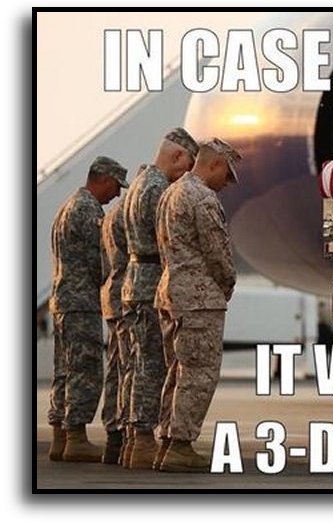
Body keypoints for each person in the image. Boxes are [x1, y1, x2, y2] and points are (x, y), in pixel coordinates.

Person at [155, 138, 241, 473]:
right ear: (215, 164)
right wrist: (227, 284)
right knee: (198, 373)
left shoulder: (171, 193)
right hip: (198, 299)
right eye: (227, 175)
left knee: (176, 371)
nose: (226, 184)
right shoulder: (202, 197)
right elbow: (217, 253)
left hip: (171, 293)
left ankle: (167, 441)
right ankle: (180, 445)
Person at [122, 128, 198, 469]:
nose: (186, 173)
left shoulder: (141, 183)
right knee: (152, 365)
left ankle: (132, 441)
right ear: (177, 155)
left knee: (139, 363)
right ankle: (142, 440)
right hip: (150, 280)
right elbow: (167, 238)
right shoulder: (156, 189)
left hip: (136, 280)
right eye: (188, 165)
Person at [48, 156, 127, 462]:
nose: (117, 194)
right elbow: (99, 262)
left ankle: (60, 436)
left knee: (64, 370)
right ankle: (76, 438)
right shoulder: (88, 210)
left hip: (63, 300)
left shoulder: (66, 207)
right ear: (104, 179)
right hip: (82, 303)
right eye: (116, 186)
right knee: (85, 369)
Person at [99, 182, 134, 464]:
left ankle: (114, 436)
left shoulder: (111, 214)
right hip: (127, 294)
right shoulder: (130, 212)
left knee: (115, 367)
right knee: (131, 368)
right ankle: (125, 436)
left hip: (112, 292)